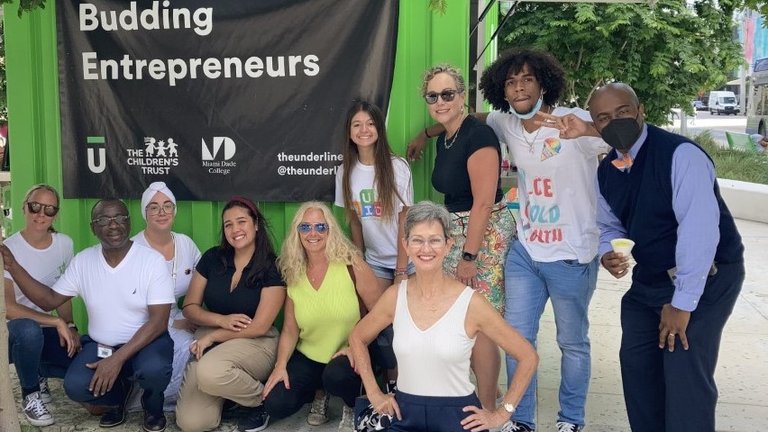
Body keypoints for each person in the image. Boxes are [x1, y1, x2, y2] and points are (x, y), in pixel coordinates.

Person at [409, 50, 608, 432]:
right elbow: (471, 117)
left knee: (572, 342)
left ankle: (570, 420)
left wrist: (587, 130)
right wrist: (425, 132)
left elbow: (624, 137)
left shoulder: (574, 121)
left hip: (571, 254)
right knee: (517, 339)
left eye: (527, 80)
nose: (518, 87)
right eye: (511, 82)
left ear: (543, 83)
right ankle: (520, 418)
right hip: (526, 250)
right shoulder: (506, 122)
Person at [587, 83, 745, 432]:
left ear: (640, 110)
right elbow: (608, 224)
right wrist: (607, 253)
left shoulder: (679, 156)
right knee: (638, 369)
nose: (614, 122)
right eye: (603, 118)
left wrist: (683, 303)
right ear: (595, 126)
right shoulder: (607, 170)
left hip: (707, 277)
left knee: (684, 375)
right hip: (651, 279)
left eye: (622, 112)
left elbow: (699, 233)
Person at [348, 201, 538, 432]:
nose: (425, 248)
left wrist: (501, 413)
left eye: (434, 240)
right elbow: (358, 337)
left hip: (458, 417)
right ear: (406, 245)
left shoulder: (471, 303)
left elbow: (528, 356)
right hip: (404, 412)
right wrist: (375, 393)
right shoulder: (395, 297)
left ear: (448, 245)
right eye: (417, 240)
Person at [1, 198, 174, 432]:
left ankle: (152, 406)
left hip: (147, 342)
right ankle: (117, 399)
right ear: (93, 227)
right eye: (104, 219)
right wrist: (12, 266)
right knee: (76, 386)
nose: (113, 225)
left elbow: (159, 321)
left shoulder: (151, 261)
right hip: (102, 345)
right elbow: (49, 300)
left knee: (153, 369)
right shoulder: (83, 261)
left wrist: (117, 359)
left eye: (119, 218)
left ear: (129, 222)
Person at [408, 64, 515, 410]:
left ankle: (487, 410)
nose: (441, 101)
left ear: (463, 96)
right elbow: (445, 122)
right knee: (460, 318)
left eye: (448, 94)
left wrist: (469, 258)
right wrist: (425, 134)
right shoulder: (447, 136)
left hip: (483, 233)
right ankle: (491, 395)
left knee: (480, 322)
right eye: (433, 96)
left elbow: (483, 202)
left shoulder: (478, 136)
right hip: (457, 228)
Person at [262, 202, 382, 432]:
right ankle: (319, 391)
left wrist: (355, 346)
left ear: (331, 230)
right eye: (305, 227)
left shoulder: (352, 264)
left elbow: (379, 315)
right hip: (311, 355)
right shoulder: (293, 271)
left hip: (350, 352)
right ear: (297, 233)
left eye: (320, 226)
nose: (313, 233)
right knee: (276, 403)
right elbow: (290, 329)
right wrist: (280, 365)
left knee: (336, 375)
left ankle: (351, 403)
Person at [174, 197, 285, 432]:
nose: (235, 230)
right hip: (210, 339)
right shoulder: (212, 258)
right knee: (192, 423)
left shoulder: (271, 266)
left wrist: (213, 336)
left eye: (241, 222)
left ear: (255, 225)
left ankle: (261, 401)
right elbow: (190, 306)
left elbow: (260, 326)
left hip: (256, 342)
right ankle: (231, 394)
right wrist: (219, 321)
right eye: (228, 225)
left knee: (209, 371)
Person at [4, 184, 77, 427]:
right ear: (24, 207)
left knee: (80, 362)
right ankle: (31, 393)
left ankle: (39, 370)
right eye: (35, 206)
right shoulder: (8, 249)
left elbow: (63, 294)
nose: (40, 214)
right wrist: (56, 321)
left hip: (45, 330)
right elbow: (8, 308)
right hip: (12, 332)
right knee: (28, 330)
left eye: (49, 209)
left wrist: (70, 325)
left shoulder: (64, 244)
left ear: (56, 214)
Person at [131, 182, 201, 411]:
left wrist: (196, 314)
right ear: (145, 212)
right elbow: (128, 302)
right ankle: (153, 398)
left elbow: (203, 280)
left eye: (167, 206)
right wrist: (174, 322)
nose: (161, 213)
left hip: (177, 314)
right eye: (154, 207)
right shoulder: (133, 248)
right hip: (141, 320)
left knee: (200, 343)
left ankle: (180, 398)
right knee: (177, 345)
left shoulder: (185, 244)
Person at [335, 100, 414, 292]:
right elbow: (354, 220)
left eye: (370, 123)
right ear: (349, 131)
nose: (364, 129)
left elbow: (406, 218)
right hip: (374, 262)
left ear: (379, 129)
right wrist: (360, 262)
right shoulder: (344, 171)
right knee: (377, 318)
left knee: (403, 317)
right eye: (357, 124)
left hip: (406, 261)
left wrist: (401, 270)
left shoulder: (398, 167)